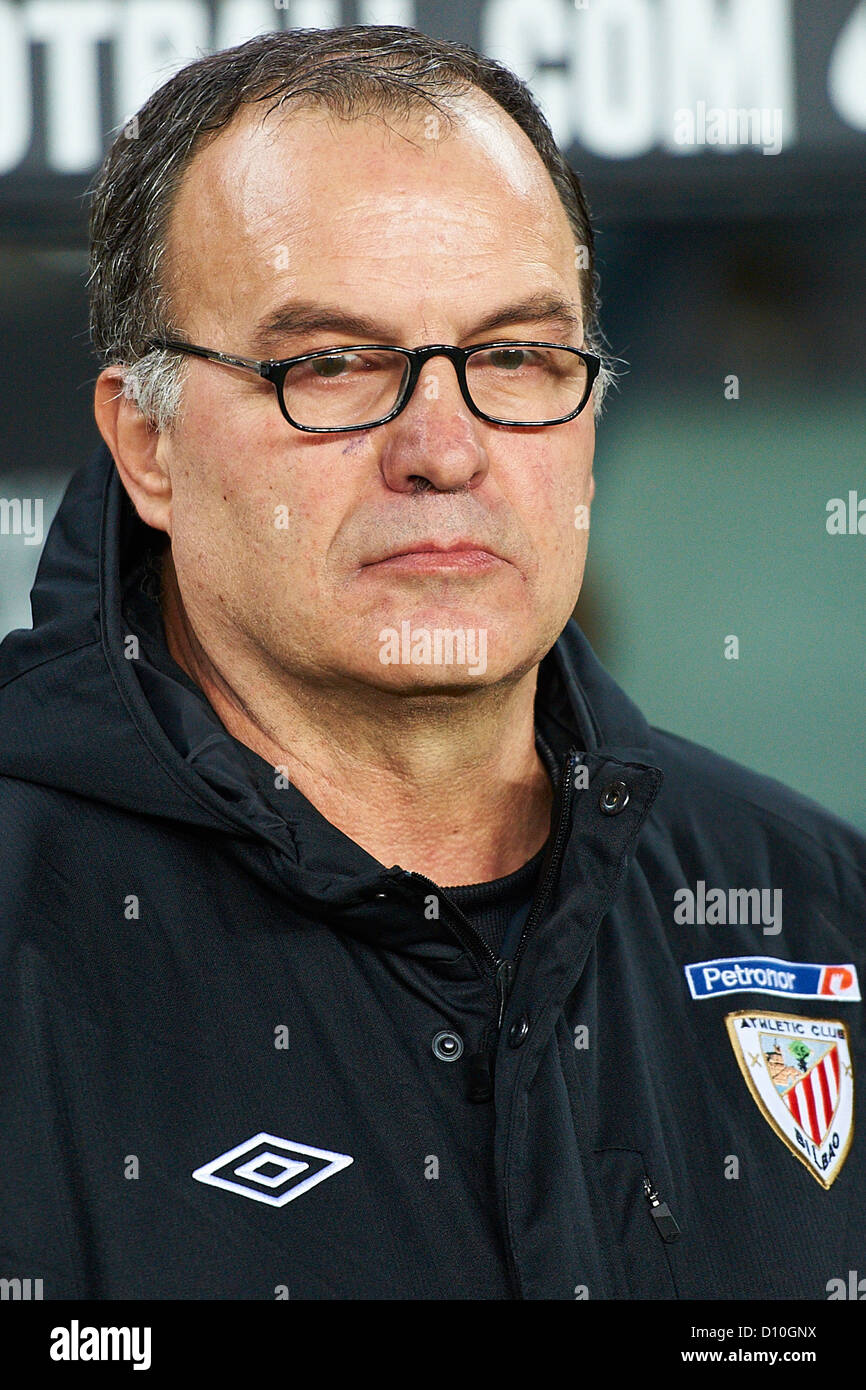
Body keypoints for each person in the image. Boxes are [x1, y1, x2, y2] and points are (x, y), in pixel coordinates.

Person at [0, 24, 862, 1302]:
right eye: (333, 366)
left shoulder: (815, 902)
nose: (442, 449)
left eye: (517, 355)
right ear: (147, 447)